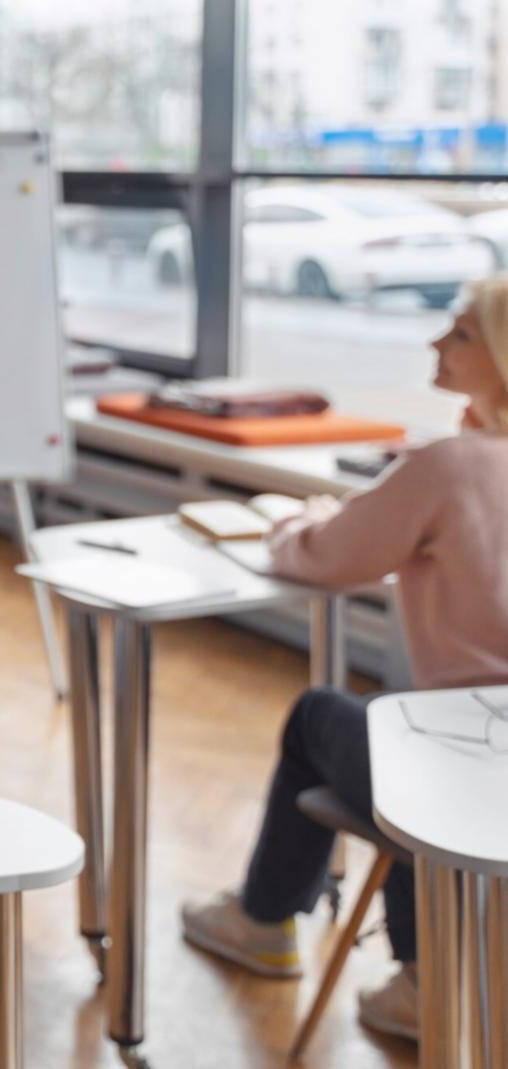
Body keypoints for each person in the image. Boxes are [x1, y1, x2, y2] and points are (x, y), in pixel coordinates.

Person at [180, 277, 508, 1042]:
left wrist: (297, 522)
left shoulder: (454, 465)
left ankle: (280, 926)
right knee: (387, 731)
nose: (435, 343)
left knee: (323, 716)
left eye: (459, 333)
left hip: (468, 768)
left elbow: (324, 557)